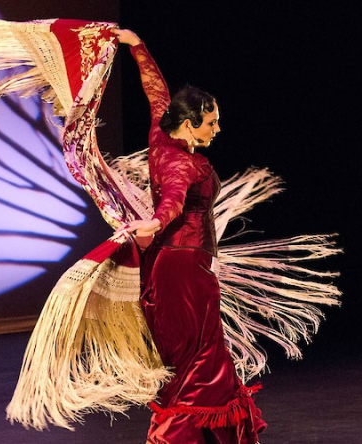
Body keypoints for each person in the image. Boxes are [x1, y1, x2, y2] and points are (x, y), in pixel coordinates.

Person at [113, 29, 266, 443]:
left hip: (178, 266)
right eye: (211, 122)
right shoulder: (183, 164)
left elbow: (156, 94)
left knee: (194, 358)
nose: (217, 128)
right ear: (189, 124)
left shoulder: (160, 137)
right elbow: (174, 203)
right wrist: (155, 223)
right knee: (201, 361)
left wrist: (137, 46)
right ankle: (177, 437)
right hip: (184, 271)